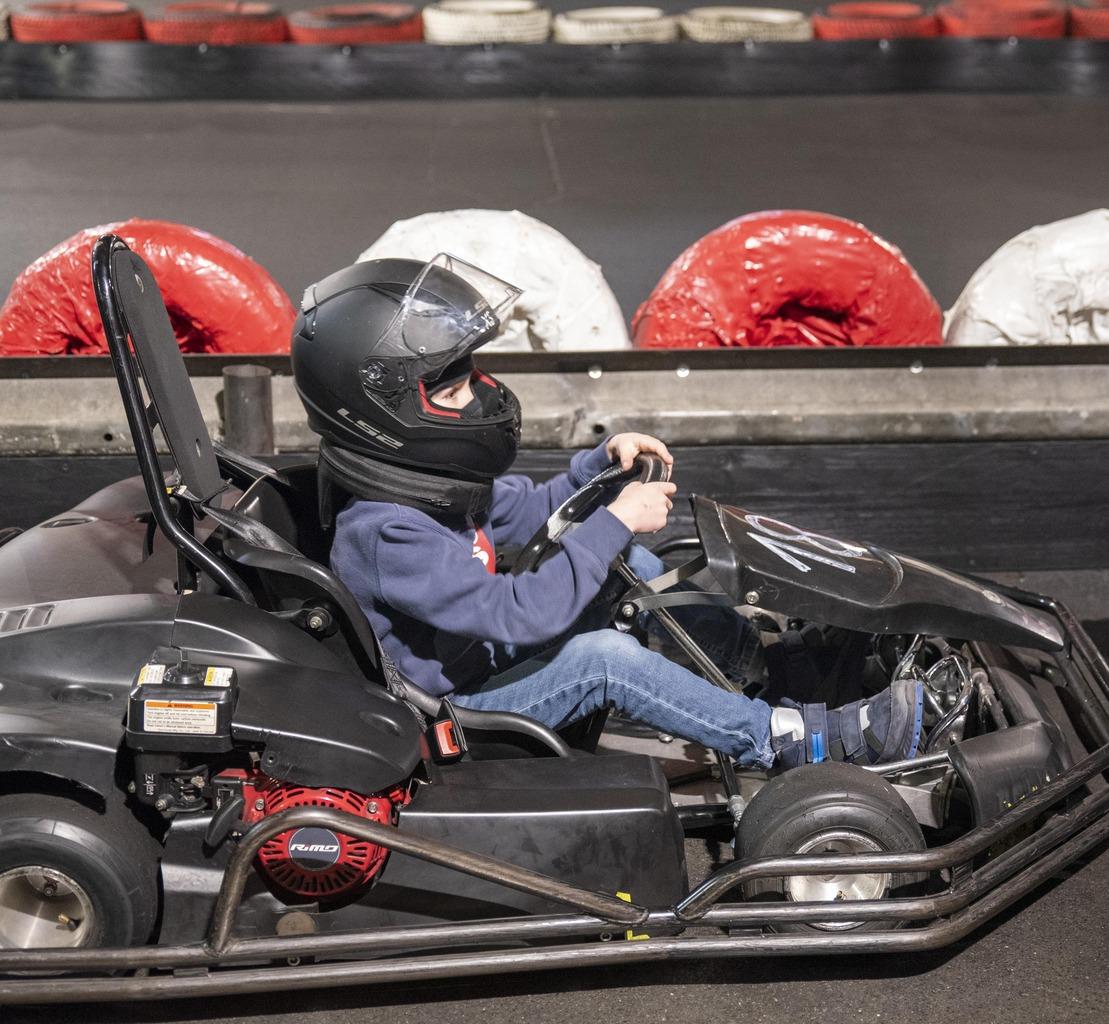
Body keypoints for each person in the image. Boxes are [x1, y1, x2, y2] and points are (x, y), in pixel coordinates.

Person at [292, 254, 925, 771]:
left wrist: (598, 468)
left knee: (631, 563)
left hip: (484, 654)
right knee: (603, 660)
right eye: (455, 389)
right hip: (461, 704)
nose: (480, 396)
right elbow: (521, 614)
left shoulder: (425, 486)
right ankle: (793, 739)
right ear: (387, 411)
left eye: (472, 376)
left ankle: (772, 666)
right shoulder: (387, 533)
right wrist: (616, 517)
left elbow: (535, 511)